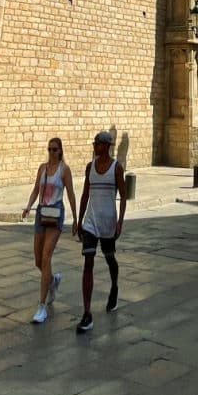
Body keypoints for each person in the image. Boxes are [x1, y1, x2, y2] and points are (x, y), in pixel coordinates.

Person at [75, 130, 126, 334]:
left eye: (98, 143)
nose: (95, 146)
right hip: (90, 221)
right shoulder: (90, 168)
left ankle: (114, 286)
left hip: (107, 222)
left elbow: (123, 196)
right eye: (94, 143)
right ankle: (87, 314)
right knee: (88, 262)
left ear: (106, 146)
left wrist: (120, 222)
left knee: (110, 258)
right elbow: (85, 194)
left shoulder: (116, 168)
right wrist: (79, 220)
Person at [22, 136, 78, 323]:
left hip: (56, 214)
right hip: (41, 213)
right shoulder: (42, 168)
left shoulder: (65, 170)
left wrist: (76, 218)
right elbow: (36, 190)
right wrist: (29, 206)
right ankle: (53, 281)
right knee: (38, 261)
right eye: (50, 149)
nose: (52, 152)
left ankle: (41, 306)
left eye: (55, 149)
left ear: (61, 151)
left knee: (46, 257)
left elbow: (70, 193)